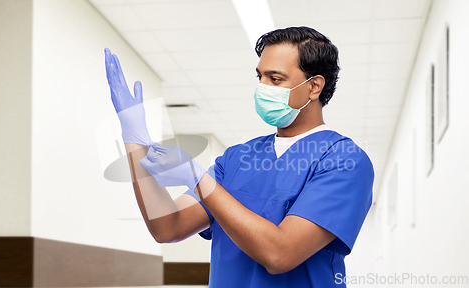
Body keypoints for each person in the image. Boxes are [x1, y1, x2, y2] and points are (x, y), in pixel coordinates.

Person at [104, 26, 374, 288]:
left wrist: (198, 177)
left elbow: (280, 254)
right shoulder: (236, 159)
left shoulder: (344, 160)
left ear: (314, 87)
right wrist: (134, 137)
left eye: (275, 79)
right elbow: (168, 226)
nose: (262, 87)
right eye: (260, 77)